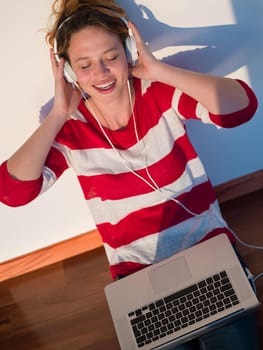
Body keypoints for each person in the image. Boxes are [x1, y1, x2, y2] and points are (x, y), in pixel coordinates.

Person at [0, 0, 259, 348]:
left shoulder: (160, 95)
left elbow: (241, 109)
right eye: (85, 65)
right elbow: (13, 192)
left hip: (208, 252)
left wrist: (160, 71)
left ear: (128, 51)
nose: (102, 73)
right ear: (69, 71)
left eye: (110, 57)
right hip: (138, 274)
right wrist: (58, 113)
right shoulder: (71, 130)